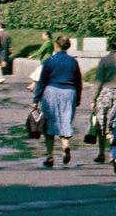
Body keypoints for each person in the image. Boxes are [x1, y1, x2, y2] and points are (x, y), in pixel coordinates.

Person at [32, 36, 82, 167]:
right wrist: (78, 98)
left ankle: (49, 156)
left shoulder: (50, 61)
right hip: (69, 92)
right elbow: (78, 81)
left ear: (56, 45)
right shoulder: (73, 62)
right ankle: (65, 146)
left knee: (49, 122)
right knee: (65, 120)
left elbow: (42, 81)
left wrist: (36, 99)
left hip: (52, 91)